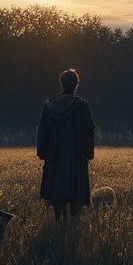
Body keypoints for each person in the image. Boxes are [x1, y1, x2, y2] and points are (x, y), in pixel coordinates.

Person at [36, 68, 96, 220]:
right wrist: (89, 153)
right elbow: (88, 132)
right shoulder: (82, 105)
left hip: (54, 157)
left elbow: (42, 130)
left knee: (57, 193)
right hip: (76, 158)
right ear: (76, 85)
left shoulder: (49, 105)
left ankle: (59, 223)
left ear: (61, 83)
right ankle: (74, 225)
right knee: (76, 194)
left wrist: (42, 152)